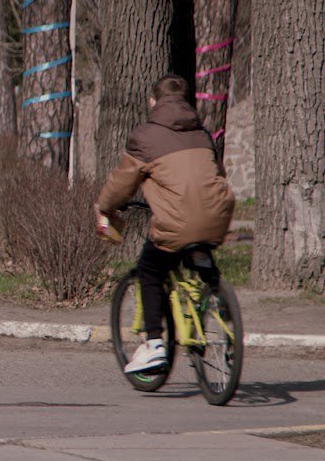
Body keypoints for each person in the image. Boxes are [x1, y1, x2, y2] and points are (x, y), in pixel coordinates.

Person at [95, 74, 235, 374]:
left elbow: (121, 184)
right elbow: (215, 173)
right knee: (198, 252)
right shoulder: (203, 134)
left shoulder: (146, 137)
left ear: (152, 102)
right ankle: (217, 299)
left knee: (149, 269)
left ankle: (155, 344)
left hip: (178, 223)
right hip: (217, 215)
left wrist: (105, 207)